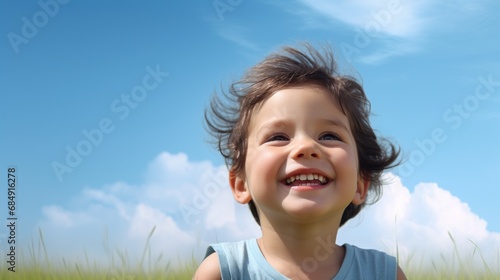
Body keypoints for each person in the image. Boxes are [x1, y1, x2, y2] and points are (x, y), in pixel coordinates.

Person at [194, 43, 407, 279]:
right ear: (241, 184)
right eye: (278, 137)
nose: (306, 147)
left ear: (360, 185)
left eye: (329, 136)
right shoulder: (224, 272)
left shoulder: (383, 274)